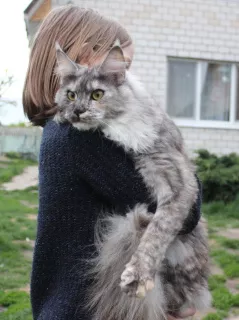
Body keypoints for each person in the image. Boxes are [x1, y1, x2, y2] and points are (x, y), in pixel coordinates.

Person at [23, 5, 200, 320]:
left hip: (64, 304)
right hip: (86, 310)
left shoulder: (60, 130)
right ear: (87, 58)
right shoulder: (82, 137)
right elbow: (185, 210)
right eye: (122, 68)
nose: (125, 80)